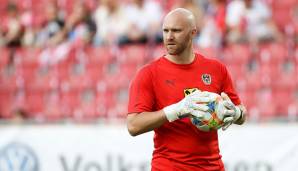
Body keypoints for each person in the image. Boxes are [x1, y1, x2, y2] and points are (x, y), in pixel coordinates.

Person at [127, 8, 246, 171]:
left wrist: (237, 113)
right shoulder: (148, 74)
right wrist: (176, 110)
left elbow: (241, 112)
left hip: (212, 167)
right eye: (165, 31)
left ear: (193, 33)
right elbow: (133, 125)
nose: (169, 37)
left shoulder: (216, 69)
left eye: (176, 31)